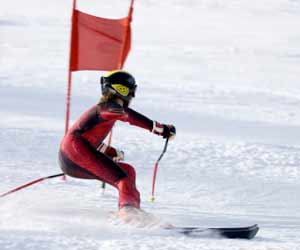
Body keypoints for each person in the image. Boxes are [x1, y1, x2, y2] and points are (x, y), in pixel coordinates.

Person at [58, 70, 176, 213]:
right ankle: (128, 212)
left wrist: (109, 151)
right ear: (118, 89)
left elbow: (90, 139)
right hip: (73, 153)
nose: (132, 95)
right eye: (129, 90)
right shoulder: (107, 107)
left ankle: (132, 209)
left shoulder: (106, 109)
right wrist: (160, 129)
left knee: (128, 171)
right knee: (123, 179)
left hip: (73, 155)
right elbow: (127, 115)